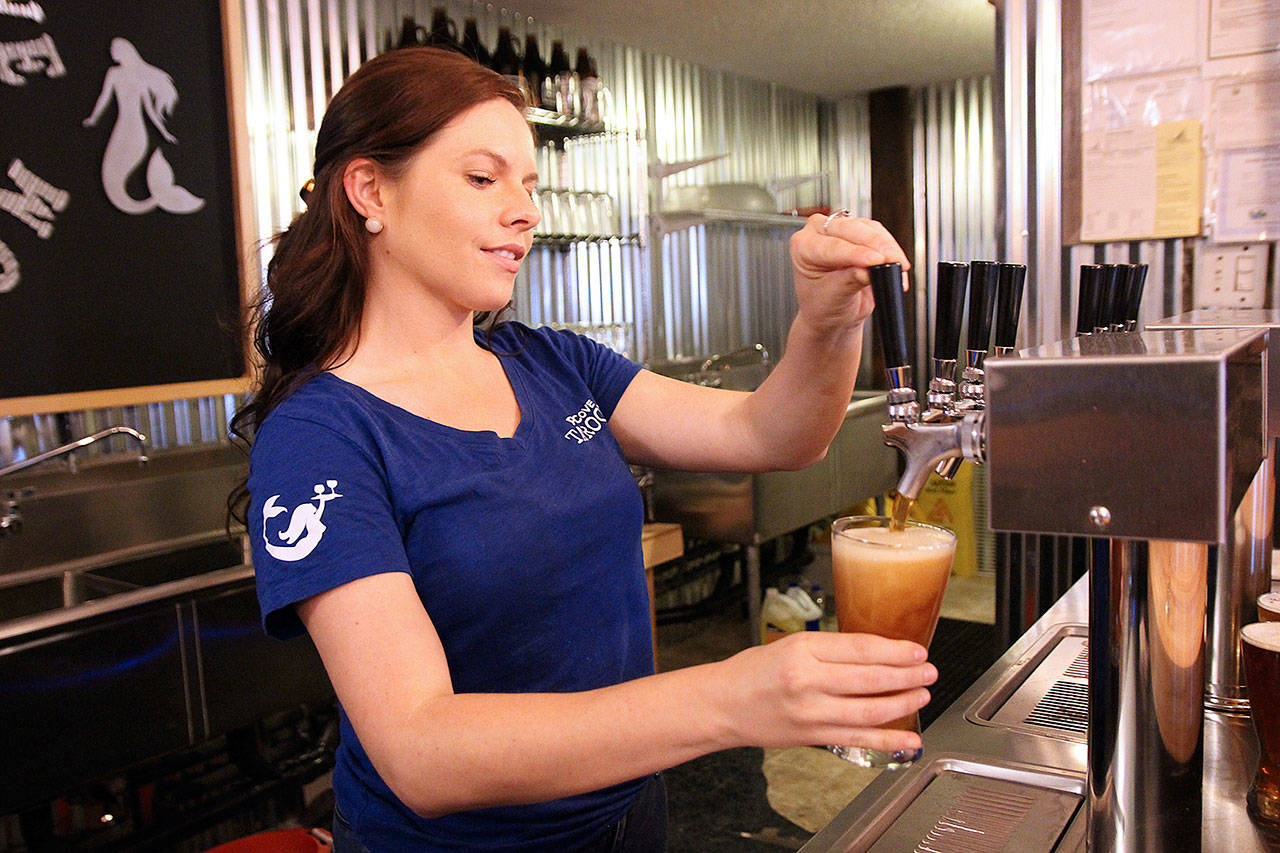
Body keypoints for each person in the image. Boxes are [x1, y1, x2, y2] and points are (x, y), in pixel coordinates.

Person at [233, 47, 933, 853]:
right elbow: (421, 748)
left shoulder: (554, 363)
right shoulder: (321, 436)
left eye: (529, 185)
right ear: (370, 190)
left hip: (628, 815)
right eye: (483, 178)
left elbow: (770, 433)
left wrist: (827, 318)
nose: (525, 210)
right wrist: (729, 699)